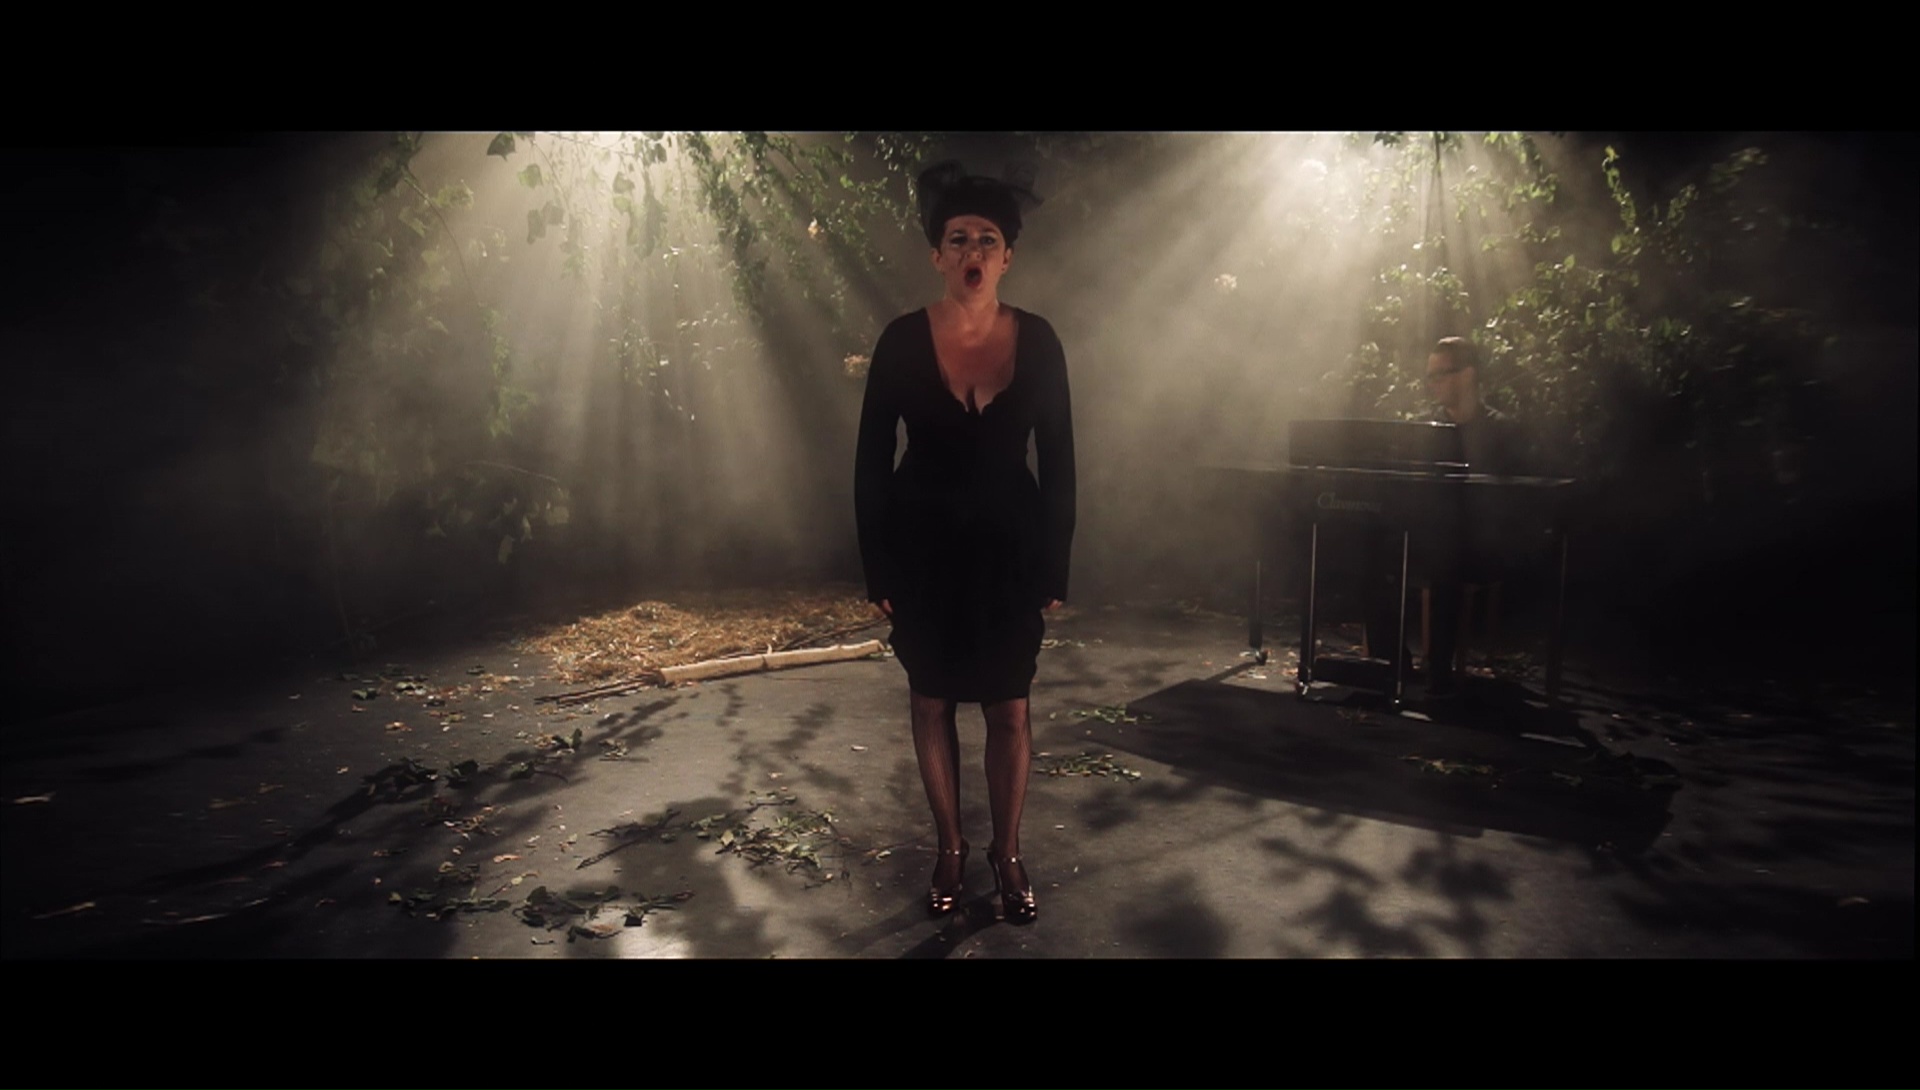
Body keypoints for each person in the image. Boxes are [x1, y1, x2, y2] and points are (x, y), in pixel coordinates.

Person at [854, 162, 1075, 925]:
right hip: (922, 547)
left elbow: (1061, 458)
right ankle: (949, 847)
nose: (972, 250)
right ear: (937, 255)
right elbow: (870, 460)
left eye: (986, 239)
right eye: (958, 239)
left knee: (1009, 706)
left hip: (1009, 548)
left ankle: (1006, 854)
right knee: (932, 699)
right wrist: (878, 565)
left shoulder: (1039, 340)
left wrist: (1055, 562)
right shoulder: (900, 340)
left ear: (1007, 256)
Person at [1364, 337, 1525, 698]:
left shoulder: (1502, 431)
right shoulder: (1425, 430)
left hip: (1479, 545)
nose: (1432, 383)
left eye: (1441, 374)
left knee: (1445, 557)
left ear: (1468, 375)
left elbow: (1510, 502)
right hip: (1429, 537)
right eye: (1429, 375)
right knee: (1370, 554)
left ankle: (1439, 674)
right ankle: (1394, 662)